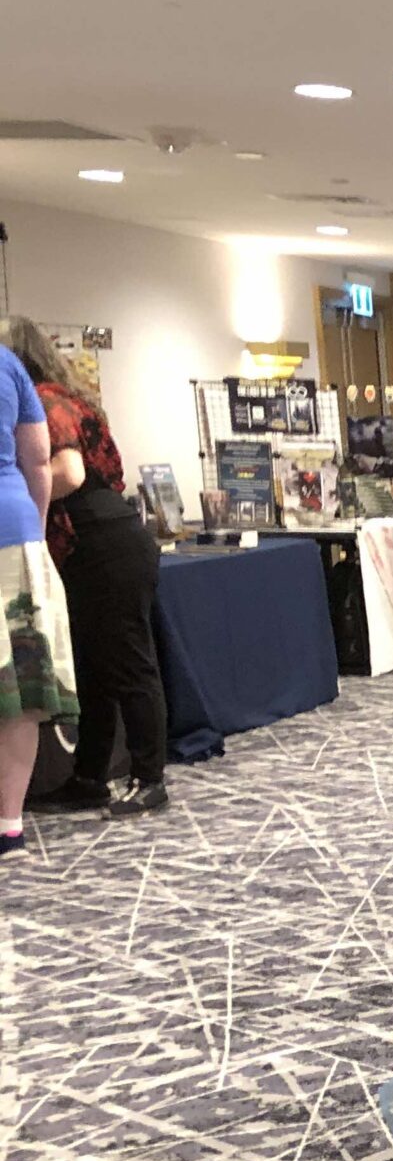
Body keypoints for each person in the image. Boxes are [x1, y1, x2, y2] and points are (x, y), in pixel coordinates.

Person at [7, 321, 166, 816]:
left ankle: (149, 777)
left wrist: (16, 492)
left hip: (102, 542)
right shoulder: (64, 397)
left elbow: (69, 472)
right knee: (94, 667)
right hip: (97, 540)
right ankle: (90, 776)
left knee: (128, 660)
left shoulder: (46, 401)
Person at [0, 342, 69, 854]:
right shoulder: (7, 362)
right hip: (13, 529)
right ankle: (9, 824)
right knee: (17, 688)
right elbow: (39, 459)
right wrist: (36, 532)